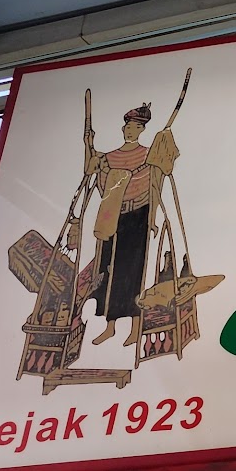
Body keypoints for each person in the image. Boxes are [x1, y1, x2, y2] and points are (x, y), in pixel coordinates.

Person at [85, 102, 176, 346]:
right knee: (108, 269)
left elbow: (155, 186)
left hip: (138, 214)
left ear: (142, 130)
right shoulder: (109, 158)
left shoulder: (148, 156)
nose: (129, 131)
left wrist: (152, 218)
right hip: (113, 215)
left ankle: (136, 326)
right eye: (127, 127)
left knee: (133, 270)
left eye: (135, 127)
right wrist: (88, 145)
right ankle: (110, 325)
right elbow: (94, 174)